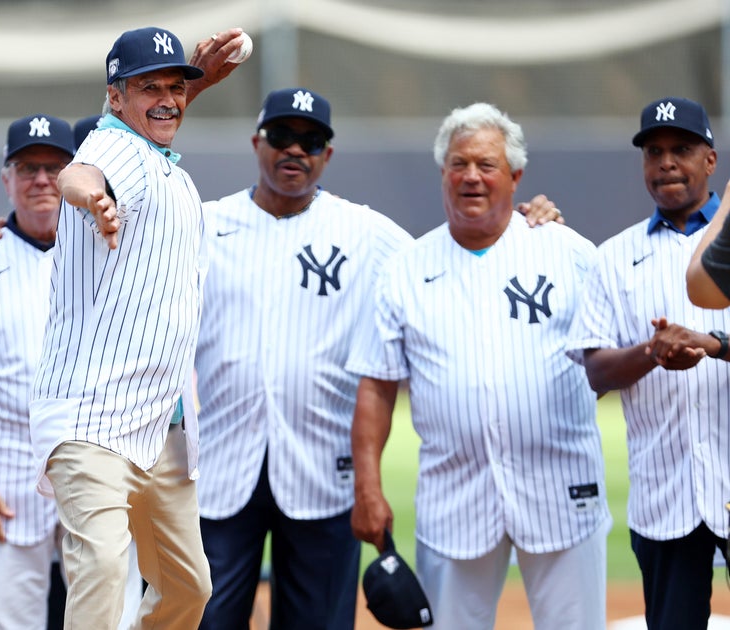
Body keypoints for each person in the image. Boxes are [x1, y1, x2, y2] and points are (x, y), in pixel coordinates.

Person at [348, 102, 611, 629]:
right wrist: (368, 489)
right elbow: (376, 388)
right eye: (458, 164)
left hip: (561, 488)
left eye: (487, 165)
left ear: (515, 177)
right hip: (455, 499)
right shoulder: (404, 270)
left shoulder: (570, 253)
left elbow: (613, 360)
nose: (472, 176)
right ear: (443, 173)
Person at [30, 26, 243, 629]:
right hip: (92, 420)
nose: (168, 98)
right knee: (100, 565)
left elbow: (146, 129)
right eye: (149, 86)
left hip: (158, 426)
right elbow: (85, 171)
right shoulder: (114, 149)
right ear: (113, 96)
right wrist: (90, 197)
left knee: (188, 588)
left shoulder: (160, 162)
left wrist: (181, 92)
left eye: (176, 87)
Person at [194, 87, 412, 628]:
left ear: (327, 155)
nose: (296, 149)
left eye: (311, 140)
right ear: (257, 142)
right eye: (282, 136)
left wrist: (522, 225)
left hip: (324, 468)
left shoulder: (364, 232)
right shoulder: (202, 224)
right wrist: (6, 234)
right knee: (204, 618)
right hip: (221, 465)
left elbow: (444, 264)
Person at [0, 114, 142, 629]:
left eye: (53, 167)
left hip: (98, 468)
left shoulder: (109, 250)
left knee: (114, 619)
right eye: (27, 167)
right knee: (5, 624)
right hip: (6, 476)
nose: (41, 179)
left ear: (75, 175)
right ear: (7, 178)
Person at [567, 96, 730, 630]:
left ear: (709, 159)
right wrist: (652, 350)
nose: (665, 163)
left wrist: (711, 343)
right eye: (653, 152)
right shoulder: (612, 258)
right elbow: (595, 373)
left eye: (681, 149)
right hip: (665, 492)